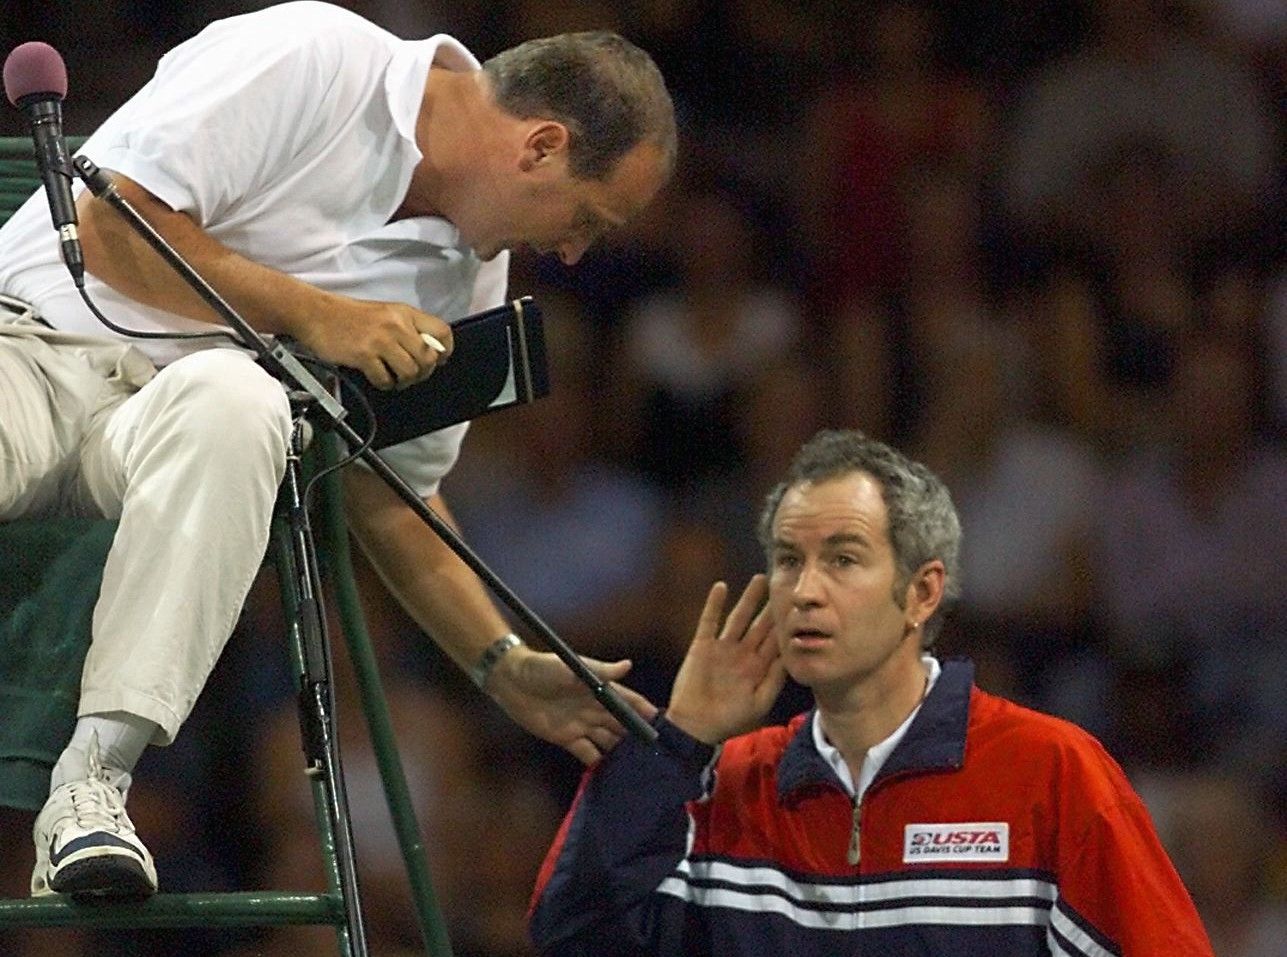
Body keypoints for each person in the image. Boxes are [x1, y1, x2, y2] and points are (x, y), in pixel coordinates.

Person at [0, 0, 674, 899]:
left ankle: (91, 784)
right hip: (34, 347)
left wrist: (500, 662)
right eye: (589, 217)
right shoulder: (312, 57)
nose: (576, 252)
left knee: (245, 401)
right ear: (541, 146)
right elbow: (112, 229)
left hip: (159, 441)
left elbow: (390, 486)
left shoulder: (468, 275)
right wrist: (319, 315)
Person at [529, 429, 1214, 956]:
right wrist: (675, 743)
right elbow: (572, 935)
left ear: (921, 591)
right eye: (788, 561)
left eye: (843, 558)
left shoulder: (1050, 769)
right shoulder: (718, 784)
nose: (804, 590)